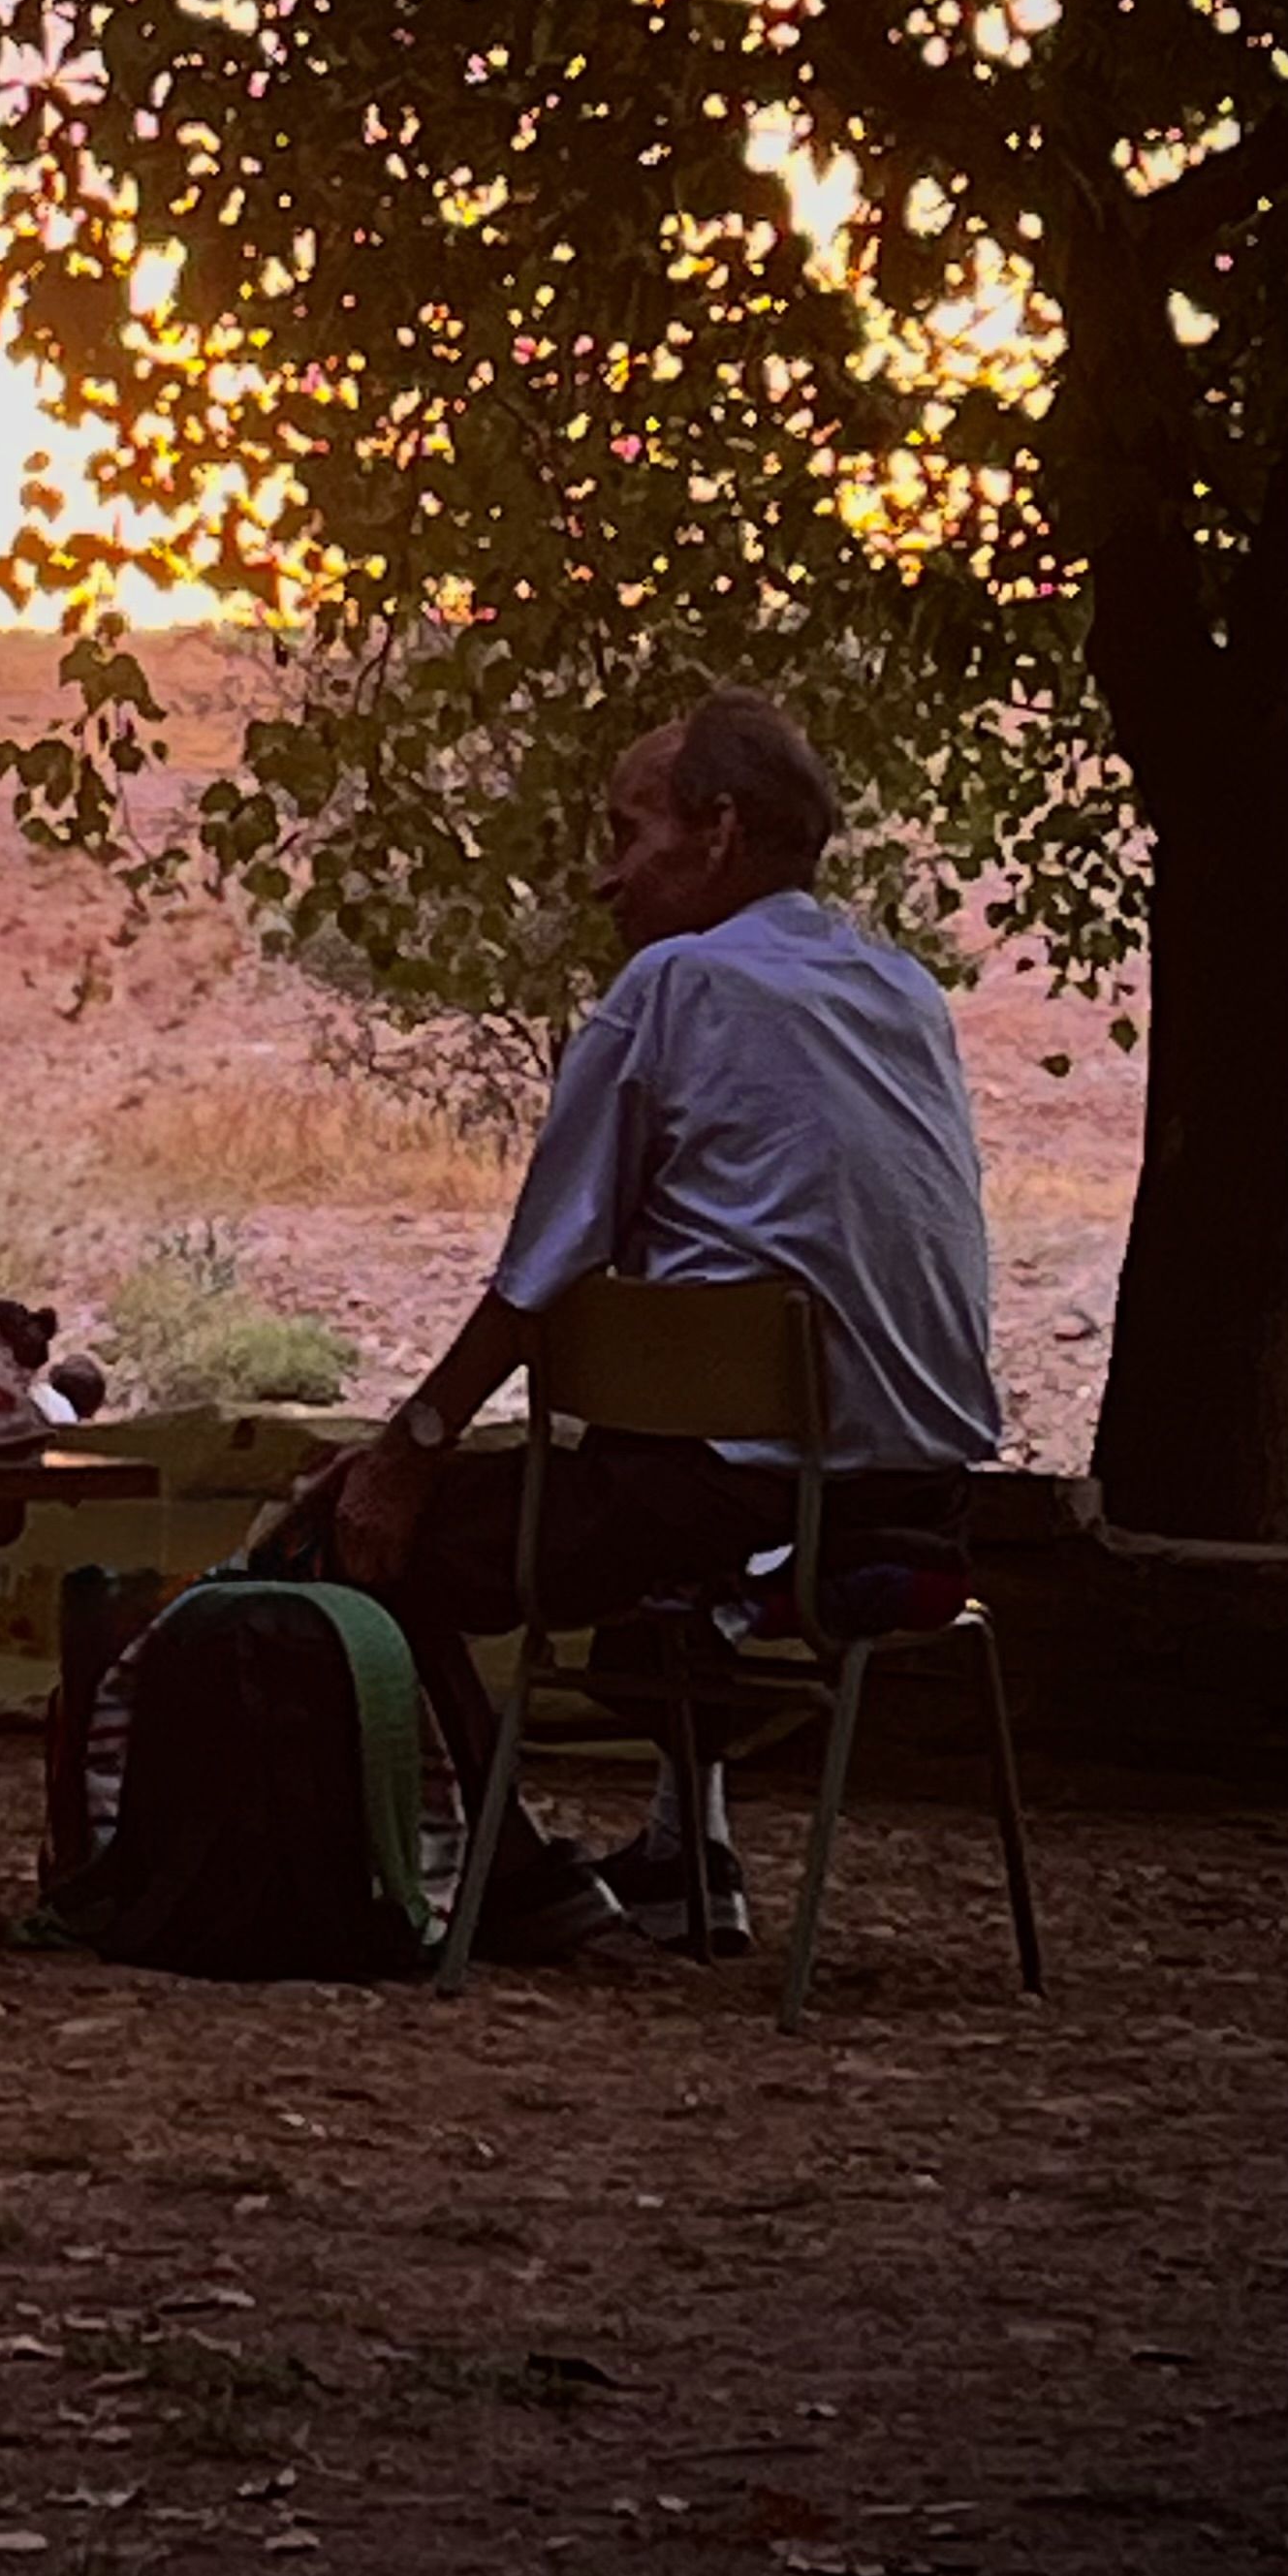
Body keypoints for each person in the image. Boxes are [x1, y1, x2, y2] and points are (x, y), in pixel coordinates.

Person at [266, 687, 996, 1966]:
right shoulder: (906, 993)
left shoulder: (674, 984)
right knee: (645, 1484)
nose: (607, 879)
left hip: (743, 1489)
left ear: (718, 831)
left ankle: (516, 1881)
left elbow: (543, 1270)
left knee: (379, 1540)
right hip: (921, 1495)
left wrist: (402, 1452)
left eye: (627, 831)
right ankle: (683, 1858)